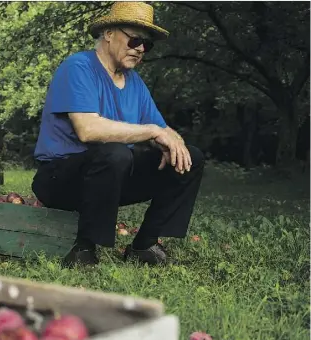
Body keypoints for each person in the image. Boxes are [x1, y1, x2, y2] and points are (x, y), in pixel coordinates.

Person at [31, 1, 205, 266]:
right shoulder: (78, 67)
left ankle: (144, 245)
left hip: (109, 179)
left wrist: (174, 142)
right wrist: (151, 131)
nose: (140, 50)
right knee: (114, 152)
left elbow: (163, 129)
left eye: (147, 45)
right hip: (58, 180)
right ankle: (84, 250)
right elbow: (88, 130)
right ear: (109, 33)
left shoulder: (135, 83)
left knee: (190, 157)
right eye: (135, 40)